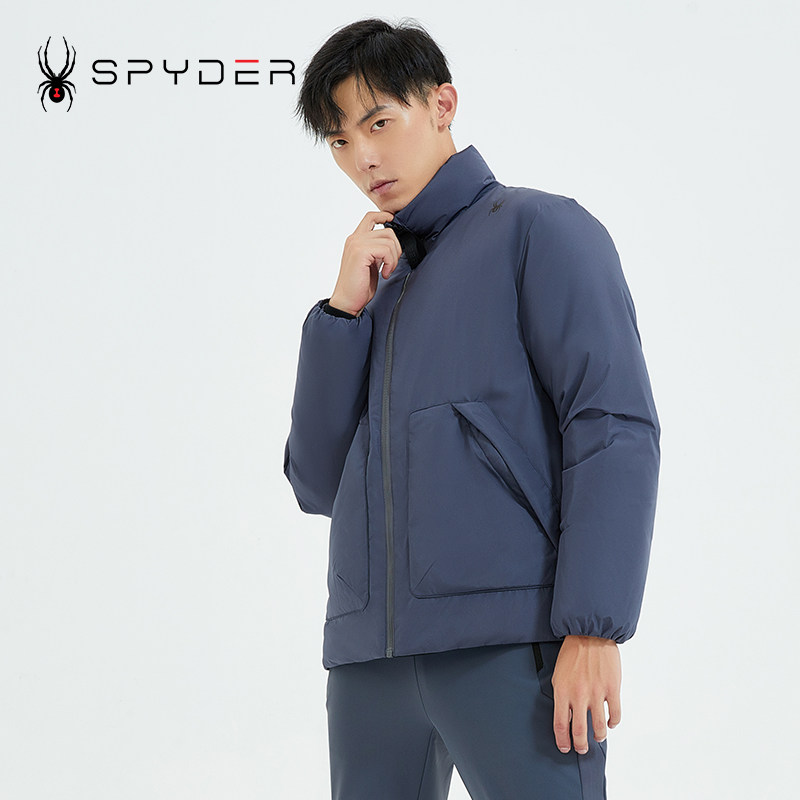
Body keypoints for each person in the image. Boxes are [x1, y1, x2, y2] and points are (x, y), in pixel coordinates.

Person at [283, 16, 660, 800]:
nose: (363, 159)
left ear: (442, 104)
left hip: (509, 645)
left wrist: (593, 627)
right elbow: (316, 482)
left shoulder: (539, 230)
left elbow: (611, 427)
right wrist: (341, 316)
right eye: (340, 141)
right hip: (368, 666)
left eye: (378, 123)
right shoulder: (374, 285)